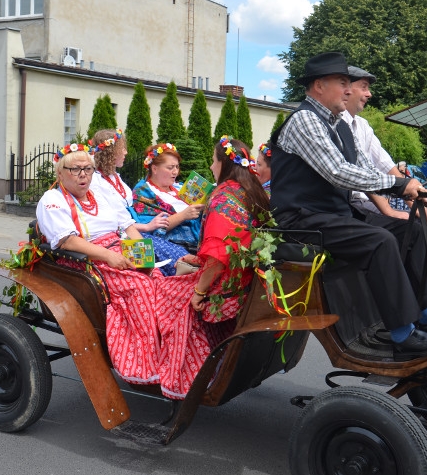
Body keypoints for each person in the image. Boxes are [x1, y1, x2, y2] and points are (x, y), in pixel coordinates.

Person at [270, 52, 427, 359]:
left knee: (409, 228)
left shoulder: (340, 124)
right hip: (301, 221)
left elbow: (366, 168)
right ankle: (402, 334)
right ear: (318, 86)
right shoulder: (304, 120)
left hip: (331, 217)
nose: (348, 89)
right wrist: (397, 184)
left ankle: (425, 312)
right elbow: (338, 172)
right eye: (342, 83)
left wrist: (409, 189)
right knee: (379, 241)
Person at [110, 136, 269, 399]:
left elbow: (218, 256)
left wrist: (199, 291)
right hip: (233, 272)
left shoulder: (221, 197)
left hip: (221, 278)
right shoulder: (250, 190)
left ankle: (171, 366)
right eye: (169, 167)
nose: (210, 166)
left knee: (160, 292)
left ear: (223, 164)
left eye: (214, 160)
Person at [35, 143, 160, 386]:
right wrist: (108, 256)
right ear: (60, 173)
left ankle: (161, 346)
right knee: (140, 287)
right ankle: (142, 361)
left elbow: (127, 226)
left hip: (114, 247)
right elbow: (68, 241)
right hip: (83, 259)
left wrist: (144, 254)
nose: (83, 175)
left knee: (158, 277)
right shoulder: (52, 199)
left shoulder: (100, 194)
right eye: (75, 169)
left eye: (88, 169)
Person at [343, 65, 427, 228]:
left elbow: (385, 165)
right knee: (410, 228)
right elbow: (364, 175)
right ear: (346, 88)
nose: (369, 94)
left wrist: (414, 201)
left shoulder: (362, 125)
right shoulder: (339, 124)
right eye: (364, 87)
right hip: (351, 203)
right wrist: (389, 211)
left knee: (415, 225)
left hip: (365, 200)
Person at [91, 129, 186, 275]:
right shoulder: (97, 181)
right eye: (121, 148)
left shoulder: (115, 176)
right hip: (121, 235)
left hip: (133, 230)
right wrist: (147, 226)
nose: (125, 152)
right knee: (168, 257)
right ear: (110, 152)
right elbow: (116, 220)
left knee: (177, 253)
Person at [132, 143, 203, 253]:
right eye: (170, 168)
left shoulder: (180, 187)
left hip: (198, 239)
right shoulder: (143, 191)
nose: (175, 172)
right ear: (154, 169)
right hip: (173, 246)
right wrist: (183, 215)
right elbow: (150, 229)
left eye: (177, 167)